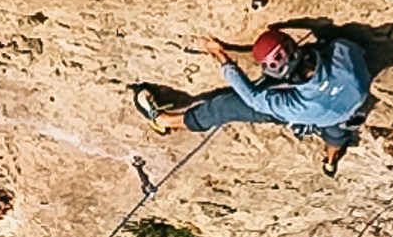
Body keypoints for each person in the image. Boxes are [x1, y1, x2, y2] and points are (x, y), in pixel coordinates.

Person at [129, 23, 375, 149]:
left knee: (224, 107)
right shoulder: (344, 53)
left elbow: (251, 97)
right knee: (335, 137)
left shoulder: (294, 108)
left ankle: (162, 121)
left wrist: (220, 54)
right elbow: (344, 49)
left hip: (319, 112)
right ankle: (330, 157)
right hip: (342, 107)